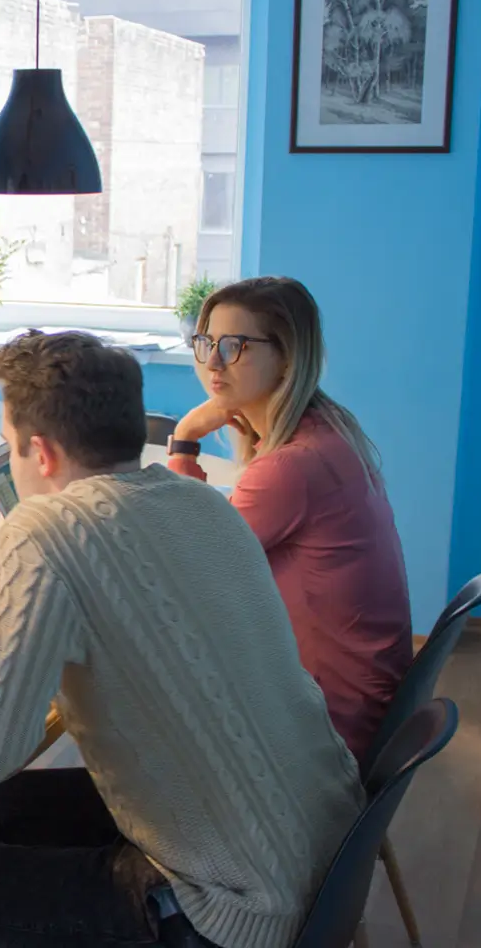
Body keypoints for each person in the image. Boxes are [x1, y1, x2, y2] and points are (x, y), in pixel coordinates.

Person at [0, 330, 363, 948]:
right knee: (14, 805)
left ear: (42, 454)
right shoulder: (202, 501)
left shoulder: (46, 532)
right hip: (324, 856)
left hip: (232, 913)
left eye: (10, 446)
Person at [166, 276, 412, 761]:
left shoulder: (290, 467)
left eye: (236, 346)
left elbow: (185, 571)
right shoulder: (326, 428)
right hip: (356, 702)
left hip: (324, 733)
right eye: (207, 342)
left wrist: (183, 440)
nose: (213, 361)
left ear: (286, 357)